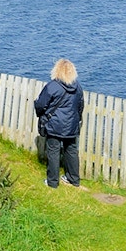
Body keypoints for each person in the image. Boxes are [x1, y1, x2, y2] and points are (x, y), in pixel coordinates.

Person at [35, 58, 84, 189]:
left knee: (53, 152)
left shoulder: (52, 86)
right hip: (71, 126)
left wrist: (41, 113)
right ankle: (74, 179)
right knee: (71, 151)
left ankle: (52, 182)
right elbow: (80, 107)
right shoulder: (78, 87)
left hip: (55, 125)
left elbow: (40, 104)